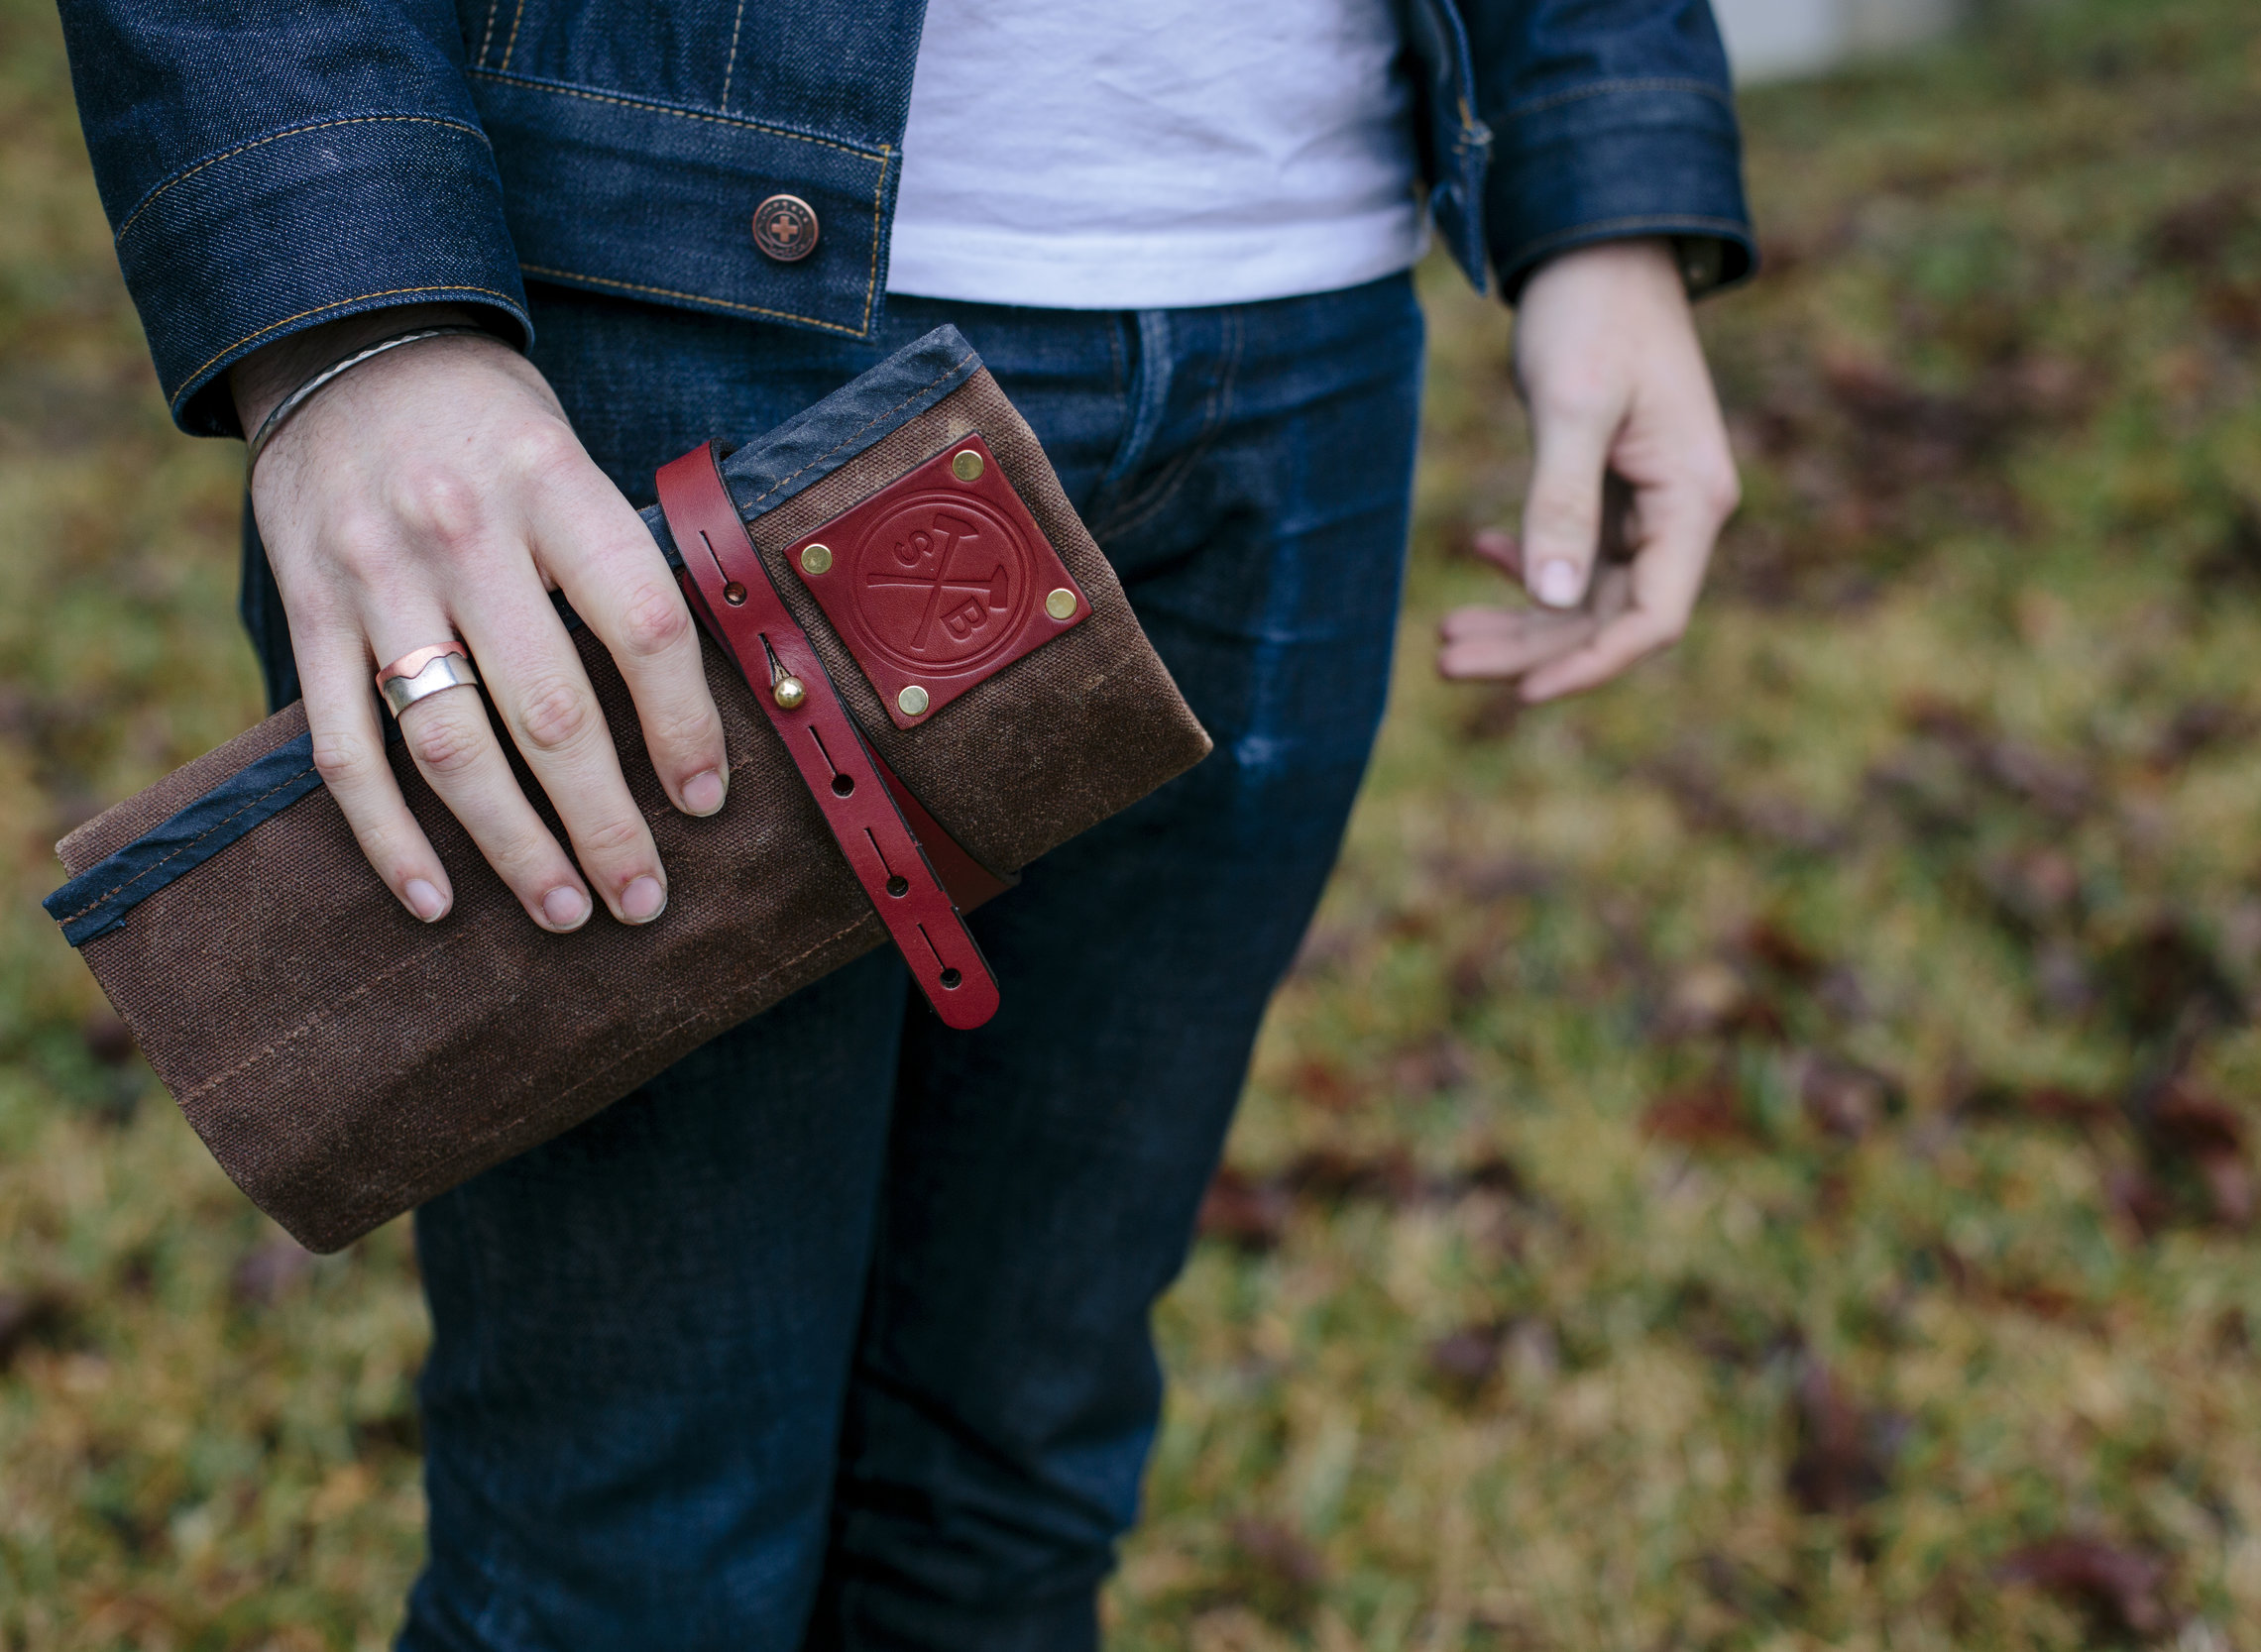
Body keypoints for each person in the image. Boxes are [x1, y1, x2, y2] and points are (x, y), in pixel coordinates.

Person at [58, 0, 1752, 1644]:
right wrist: (351, 314)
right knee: (634, 1556)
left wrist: (1602, 168)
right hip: (664, 303)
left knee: (1016, 1483)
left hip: (1300, 329)